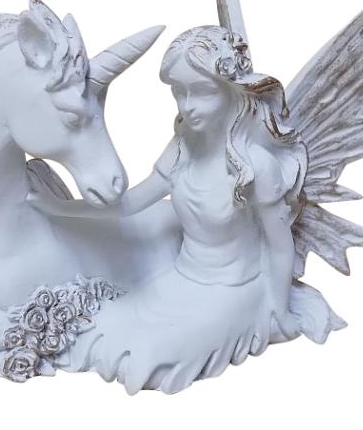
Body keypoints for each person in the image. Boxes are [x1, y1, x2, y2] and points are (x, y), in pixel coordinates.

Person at [29, 25, 308, 393]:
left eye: (202, 92)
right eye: (179, 92)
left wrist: (280, 310)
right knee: (100, 330)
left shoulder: (258, 165)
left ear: (233, 91)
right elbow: (129, 205)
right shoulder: (182, 148)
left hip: (233, 292)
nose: (187, 106)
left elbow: (279, 245)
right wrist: (61, 209)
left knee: (148, 357)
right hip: (180, 280)